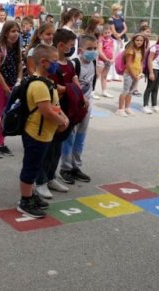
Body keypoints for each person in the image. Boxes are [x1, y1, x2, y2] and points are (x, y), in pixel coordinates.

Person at [17, 44, 69, 218]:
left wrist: (63, 116)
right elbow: (46, 110)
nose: (57, 64)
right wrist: (61, 121)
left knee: (37, 165)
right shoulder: (39, 85)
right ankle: (25, 201)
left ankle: (31, 195)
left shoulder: (48, 82)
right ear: (44, 62)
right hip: (35, 133)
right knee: (30, 168)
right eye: (54, 61)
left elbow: (54, 105)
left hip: (44, 133)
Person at [37, 28, 81, 195]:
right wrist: (67, 88)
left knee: (57, 148)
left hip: (67, 111)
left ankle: (50, 177)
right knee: (47, 147)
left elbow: (74, 83)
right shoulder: (51, 65)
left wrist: (71, 88)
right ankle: (40, 181)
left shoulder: (70, 64)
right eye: (70, 45)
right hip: (53, 111)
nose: (72, 48)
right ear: (61, 45)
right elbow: (49, 85)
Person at [60, 35, 97, 184]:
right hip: (74, 106)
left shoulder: (93, 63)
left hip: (87, 105)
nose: (93, 51)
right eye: (89, 49)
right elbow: (69, 86)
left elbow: (91, 83)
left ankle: (76, 165)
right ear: (80, 50)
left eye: (95, 48)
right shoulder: (74, 64)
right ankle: (65, 168)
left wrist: (89, 100)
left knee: (81, 137)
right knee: (70, 137)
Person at [0, 21, 21, 159]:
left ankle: (1, 143)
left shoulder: (17, 49)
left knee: (5, 116)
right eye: (13, 31)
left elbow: (19, 66)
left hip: (12, 86)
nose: (16, 34)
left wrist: (18, 82)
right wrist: (6, 88)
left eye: (17, 31)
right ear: (6, 33)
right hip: (0, 86)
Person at [116, 34, 146, 116]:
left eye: (141, 41)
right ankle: (120, 109)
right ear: (133, 41)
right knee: (125, 91)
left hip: (136, 75)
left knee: (130, 92)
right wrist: (134, 75)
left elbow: (140, 63)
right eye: (137, 40)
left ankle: (127, 108)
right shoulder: (130, 50)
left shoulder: (140, 51)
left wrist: (140, 72)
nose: (139, 42)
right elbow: (128, 64)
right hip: (129, 74)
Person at [96, 23, 115, 99]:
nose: (107, 34)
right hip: (101, 60)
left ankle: (104, 91)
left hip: (109, 61)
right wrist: (105, 59)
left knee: (104, 76)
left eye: (109, 33)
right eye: (105, 33)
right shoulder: (101, 39)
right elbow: (100, 51)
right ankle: (92, 91)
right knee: (97, 75)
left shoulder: (111, 40)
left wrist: (113, 58)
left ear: (111, 32)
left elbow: (112, 50)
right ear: (102, 33)